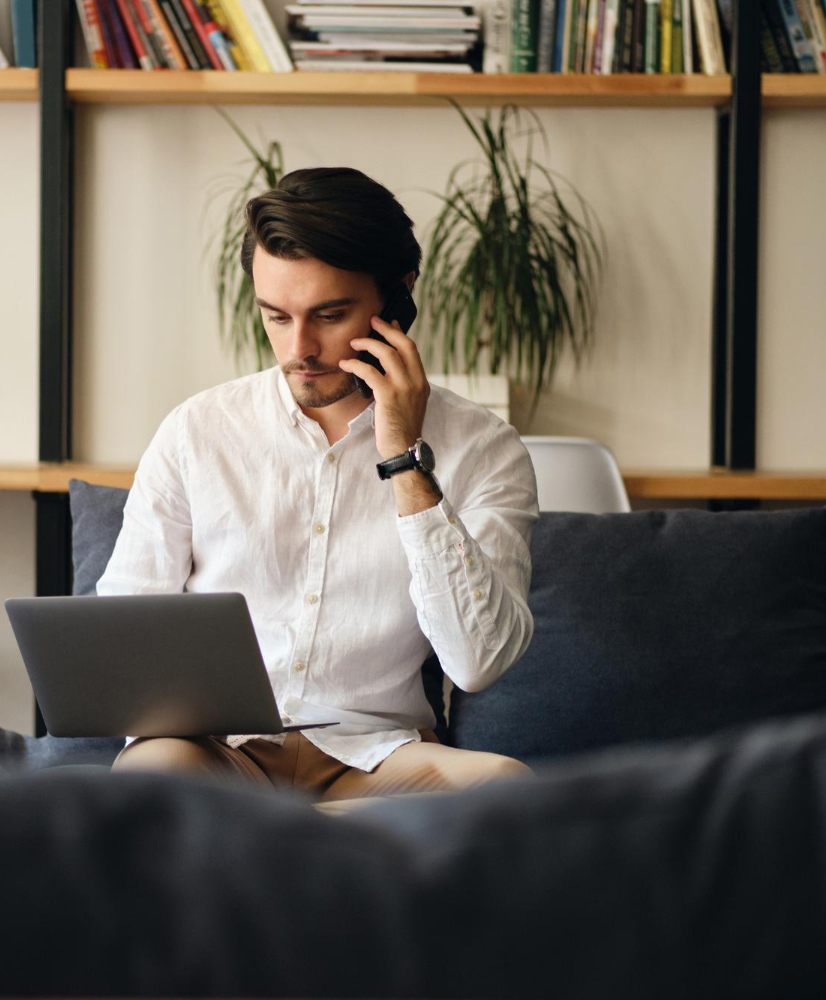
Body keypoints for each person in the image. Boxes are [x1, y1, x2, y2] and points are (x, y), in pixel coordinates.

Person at [100, 166, 540, 803]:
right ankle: (310, 851)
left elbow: (478, 662)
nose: (298, 348)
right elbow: (120, 636)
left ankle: (274, 849)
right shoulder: (197, 430)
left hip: (377, 760)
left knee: (508, 790)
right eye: (276, 317)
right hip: (215, 754)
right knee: (148, 781)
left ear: (398, 298)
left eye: (329, 315)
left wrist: (405, 462)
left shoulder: (484, 447)